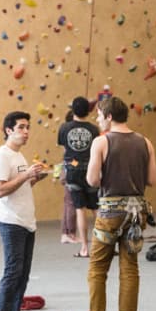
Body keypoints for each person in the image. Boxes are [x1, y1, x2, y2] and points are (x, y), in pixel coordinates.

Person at [77, 96, 156, 311]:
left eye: (100, 115)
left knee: (98, 268)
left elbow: (92, 180)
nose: (98, 119)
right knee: (130, 268)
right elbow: (152, 180)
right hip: (136, 212)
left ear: (109, 116)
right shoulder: (146, 142)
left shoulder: (101, 143)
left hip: (110, 211)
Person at [0, 111, 50, 311]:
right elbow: (1, 190)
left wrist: (34, 178)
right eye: (21, 127)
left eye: (28, 127)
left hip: (26, 221)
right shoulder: (2, 156)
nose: (26, 132)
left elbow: (20, 187)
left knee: (23, 273)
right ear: (9, 130)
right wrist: (26, 176)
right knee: (12, 271)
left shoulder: (20, 157)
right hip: (10, 222)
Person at [58, 96, 100, 254]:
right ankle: (106, 244)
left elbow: (64, 150)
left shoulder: (64, 128)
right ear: (88, 111)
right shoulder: (94, 129)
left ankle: (84, 248)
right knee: (96, 209)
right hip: (90, 170)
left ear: (73, 110)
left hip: (73, 170)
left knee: (80, 209)